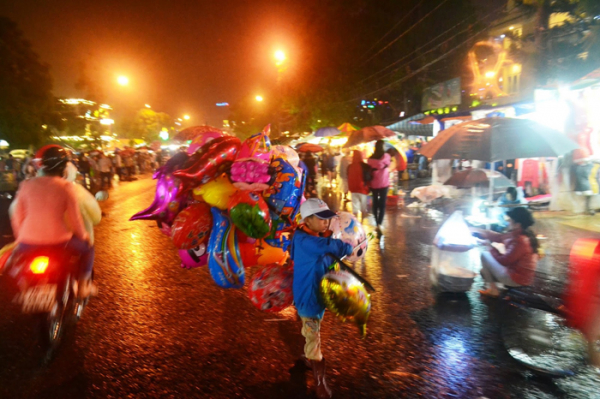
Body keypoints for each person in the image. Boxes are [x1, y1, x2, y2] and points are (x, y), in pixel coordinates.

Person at [10, 146, 97, 297]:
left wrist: (20, 238)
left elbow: (17, 217)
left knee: (14, 261)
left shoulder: (26, 185)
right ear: (64, 167)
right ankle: (84, 285)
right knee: (88, 249)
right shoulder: (66, 187)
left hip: (27, 241)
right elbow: (75, 218)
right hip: (59, 241)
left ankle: (23, 283)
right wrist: (83, 236)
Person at [290, 199, 353, 399]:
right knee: (313, 336)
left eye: (328, 219)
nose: (326, 223)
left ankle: (308, 354)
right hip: (309, 298)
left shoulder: (309, 238)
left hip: (315, 296)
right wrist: (346, 247)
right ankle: (320, 382)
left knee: (311, 329)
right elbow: (331, 246)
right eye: (321, 219)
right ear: (307, 221)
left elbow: (324, 253)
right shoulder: (305, 241)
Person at [474, 207, 539, 298]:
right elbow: (501, 238)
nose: (508, 222)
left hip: (517, 279)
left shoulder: (520, 240)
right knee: (484, 271)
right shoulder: (524, 234)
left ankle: (493, 290)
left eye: (510, 220)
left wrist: (490, 247)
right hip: (524, 277)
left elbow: (504, 260)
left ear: (517, 224)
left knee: (485, 255)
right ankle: (502, 287)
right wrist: (483, 234)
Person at [368, 140, 391, 232]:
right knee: (382, 204)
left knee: (375, 203)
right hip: (384, 183)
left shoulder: (370, 159)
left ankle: (376, 221)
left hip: (374, 183)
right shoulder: (386, 156)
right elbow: (388, 164)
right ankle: (379, 224)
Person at [348, 150, 370, 219]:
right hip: (363, 189)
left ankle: (356, 224)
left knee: (355, 209)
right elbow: (368, 177)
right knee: (363, 208)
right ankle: (362, 223)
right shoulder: (364, 166)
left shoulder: (349, 166)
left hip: (353, 190)